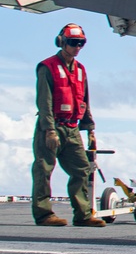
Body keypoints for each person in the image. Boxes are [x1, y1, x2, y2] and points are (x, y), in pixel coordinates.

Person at [32, 22, 105, 227]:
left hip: (72, 128)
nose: (77, 47)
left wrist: (89, 128)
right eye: (73, 42)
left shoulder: (81, 70)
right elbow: (44, 102)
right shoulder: (47, 67)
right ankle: (44, 214)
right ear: (62, 42)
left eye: (81, 43)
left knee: (81, 168)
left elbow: (84, 100)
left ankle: (82, 215)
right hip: (52, 126)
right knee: (44, 169)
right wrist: (49, 131)